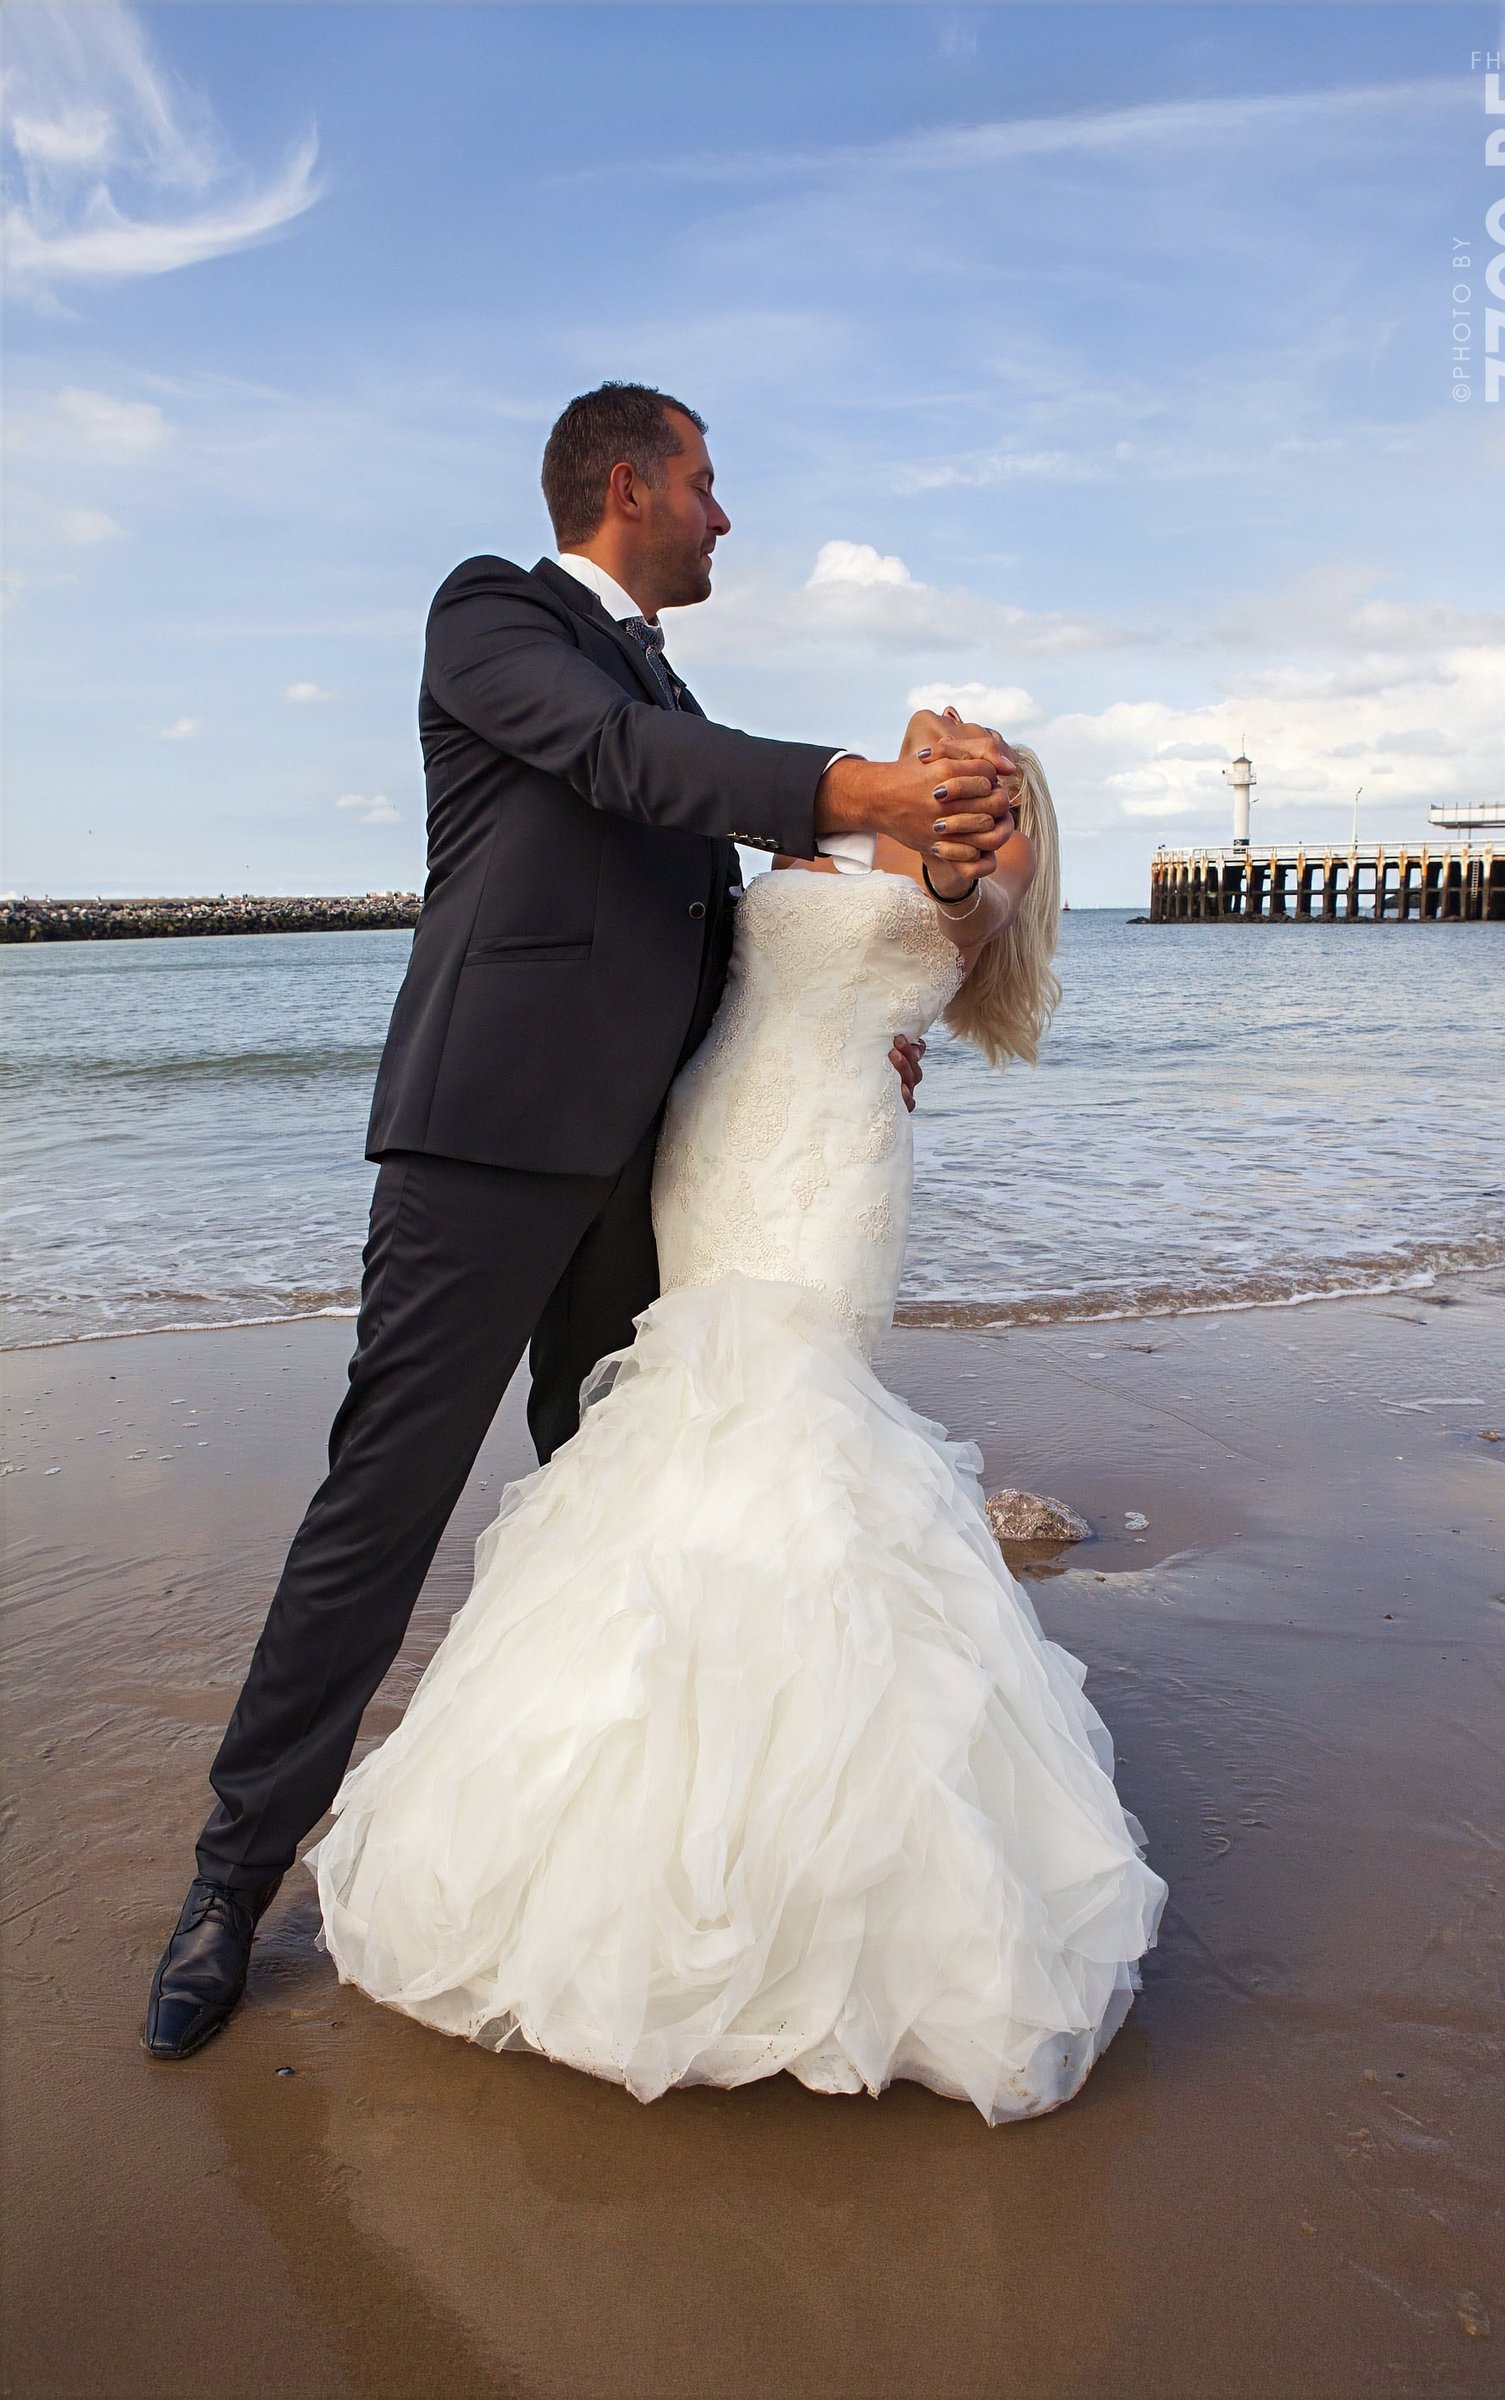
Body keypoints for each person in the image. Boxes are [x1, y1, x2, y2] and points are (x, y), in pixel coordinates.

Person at [144, 382, 1018, 2061]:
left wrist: (851, 1026)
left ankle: (567, 1872)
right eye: (707, 481)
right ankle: (228, 1880)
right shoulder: (494, 617)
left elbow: (725, 888)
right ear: (630, 484)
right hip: (486, 1147)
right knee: (381, 1509)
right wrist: (865, 787)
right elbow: (633, 766)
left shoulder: (674, 690)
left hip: (655, 1177)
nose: (724, 513)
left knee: (607, 1521)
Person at [307, 727, 1166, 2126]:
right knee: (680, 1450)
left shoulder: (981, 848)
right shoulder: (823, 832)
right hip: (706, 1147)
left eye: (970, 742)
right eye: (930, 723)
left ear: (999, 789)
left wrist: (951, 874)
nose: (937, 732)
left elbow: (963, 925)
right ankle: (640, 1855)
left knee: (797, 1449)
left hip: (828, 1169)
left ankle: (828, 1897)